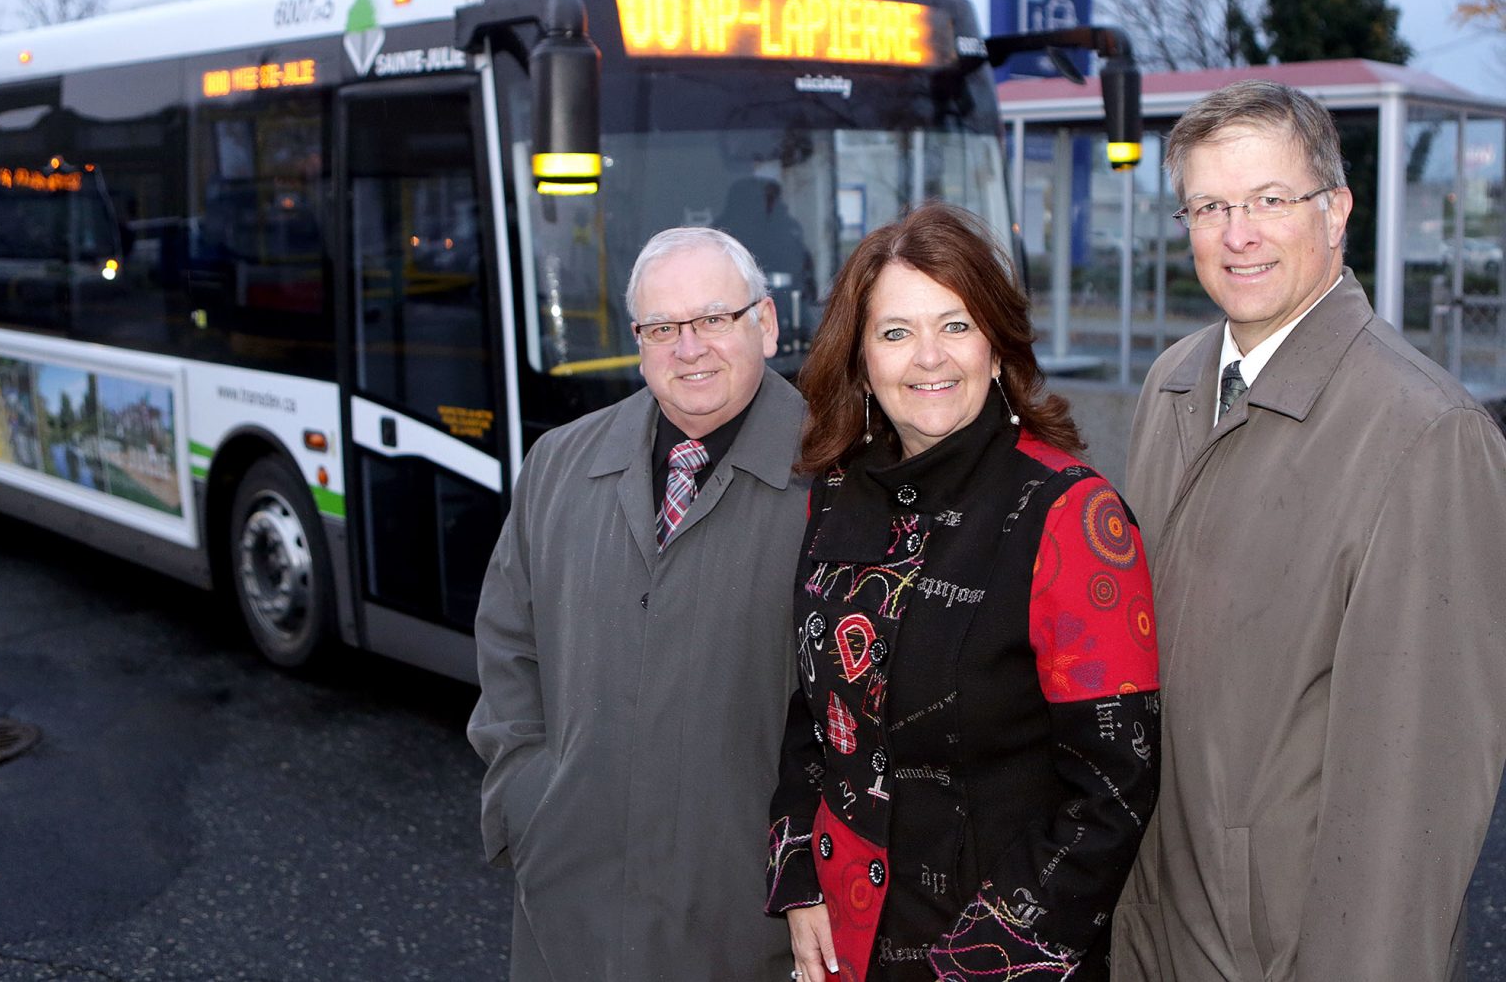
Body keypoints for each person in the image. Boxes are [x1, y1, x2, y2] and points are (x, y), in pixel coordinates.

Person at [1110, 80, 1506, 981]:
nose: (1237, 233)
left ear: (1337, 212)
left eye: (1269, 201)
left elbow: (1415, 804)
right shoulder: (1174, 384)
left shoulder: (1424, 435)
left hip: (1283, 953)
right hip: (1151, 926)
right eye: (1211, 205)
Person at [767, 203, 1161, 981]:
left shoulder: (1071, 515)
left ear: (996, 344)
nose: (928, 358)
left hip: (998, 955)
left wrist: (985, 960)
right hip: (845, 936)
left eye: (955, 324)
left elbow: (1115, 786)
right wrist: (798, 873)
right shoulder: (836, 491)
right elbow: (817, 709)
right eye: (895, 331)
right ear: (859, 359)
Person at [467, 226, 809, 981]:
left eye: (714, 319)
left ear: (767, 322)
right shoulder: (560, 461)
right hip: (570, 913)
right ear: (638, 340)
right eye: (663, 328)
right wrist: (527, 803)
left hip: (744, 929)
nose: (689, 348)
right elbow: (507, 648)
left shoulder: (838, 482)